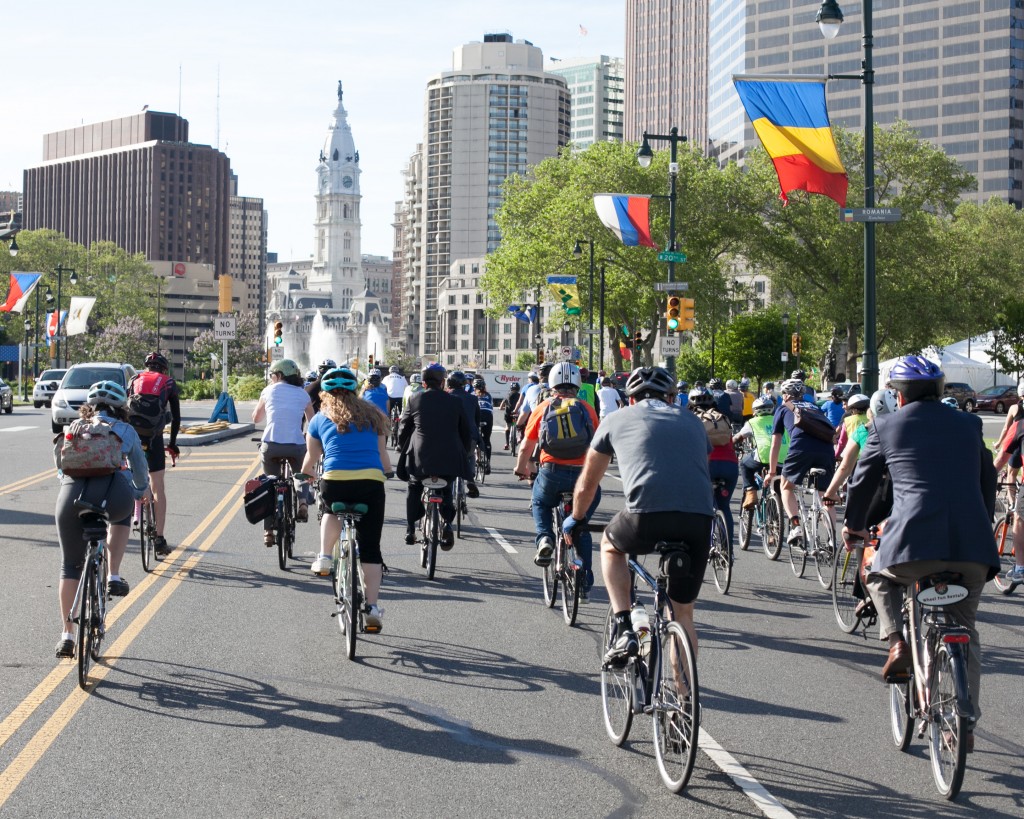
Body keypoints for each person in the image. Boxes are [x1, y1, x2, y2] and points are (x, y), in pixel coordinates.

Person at [843, 356, 998, 741]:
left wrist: (853, 525)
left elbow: (862, 482)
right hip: (973, 549)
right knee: (965, 629)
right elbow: (988, 478)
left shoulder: (885, 425)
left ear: (898, 395)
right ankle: (964, 721)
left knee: (878, 575)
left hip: (912, 545)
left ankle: (896, 641)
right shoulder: (970, 424)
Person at [566, 367, 713, 663]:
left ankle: (624, 627)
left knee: (610, 546)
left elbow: (587, 484)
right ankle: (684, 691)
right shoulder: (693, 421)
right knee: (683, 614)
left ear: (630, 399)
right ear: (671, 397)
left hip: (646, 515)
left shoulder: (615, 419)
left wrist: (577, 517)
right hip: (698, 519)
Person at [53, 381, 150, 658]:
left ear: (89, 406)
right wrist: (140, 492)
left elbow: (60, 465)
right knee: (122, 515)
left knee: (69, 566)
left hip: (71, 497)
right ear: (121, 407)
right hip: (112, 496)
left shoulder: (73, 426)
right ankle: (113, 575)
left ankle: (67, 635)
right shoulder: (125, 430)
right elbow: (140, 470)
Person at [302, 368, 392, 627]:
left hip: (335, 480)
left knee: (330, 510)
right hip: (371, 482)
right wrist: (387, 471)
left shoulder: (320, 418)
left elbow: (312, 458)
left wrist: (306, 474)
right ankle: (372, 608)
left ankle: (324, 556)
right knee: (371, 549)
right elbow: (382, 454)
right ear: (355, 391)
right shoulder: (373, 415)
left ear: (324, 393)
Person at [515, 362, 601, 595]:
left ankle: (545, 538)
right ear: (577, 384)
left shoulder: (543, 407)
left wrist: (521, 469)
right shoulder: (586, 408)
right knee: (581, 523)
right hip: (583, 475)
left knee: (540, 502)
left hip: (552, 472)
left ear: (552, 384)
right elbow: (599, 444)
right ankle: (584, 579)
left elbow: (527, 446)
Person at [397, 363, 472, 547]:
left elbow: (403, 428)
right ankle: (447, 524)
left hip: (421, 458)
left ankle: (410, 529)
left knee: (414, 487)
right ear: (442, 382)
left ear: (423, 383)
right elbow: (465, 432)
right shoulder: (455, 401)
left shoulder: (415, 399)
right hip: (449, 458)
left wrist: (401, 445)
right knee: (446, 489)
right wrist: (464, 451)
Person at [766, 378, 836, 546]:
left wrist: (772, 471)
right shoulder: (815, 407)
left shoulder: (783, 408)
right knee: (825, 496)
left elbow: (775, 443)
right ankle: (832, 540)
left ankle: (796, 526)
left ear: (785, 395)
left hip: (801, 448)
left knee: (786, 487)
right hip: (826, 450)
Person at [253, 359, 314, 546]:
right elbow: (312, 422)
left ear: (279, 375)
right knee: (300, 473)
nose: (271, 378)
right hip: (296, 445)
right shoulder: (303, 394)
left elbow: (256, 418)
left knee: (269, 483)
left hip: (271, 445)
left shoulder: (268, 391)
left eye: (272, 375)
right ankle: (302, 502)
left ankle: (268, 532)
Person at [126, 351, 180, 556]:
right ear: (164, 369)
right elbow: (176, 418)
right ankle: (159, 538)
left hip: (133, 436)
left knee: (132, 474)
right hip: (154, 437)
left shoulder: (134, 379)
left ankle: (135, 508)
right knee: (158, 486)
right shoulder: (168, 383)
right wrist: (172, 444)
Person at [688, 386, 739, 549]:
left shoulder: (690, 420)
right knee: (724, 506)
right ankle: (728, 550)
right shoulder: (722, 418)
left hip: (707, 465)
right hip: (729, 466)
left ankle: (700, 546)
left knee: (696, 506)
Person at [733, 395, 788, 510]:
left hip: (764, 455)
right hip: (784, 457)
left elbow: (738, 437)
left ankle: (750, 491)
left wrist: (729, 444)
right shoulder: (781, 419)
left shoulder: (752, 422)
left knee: (744, 464)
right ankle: (776, 511)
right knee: (778, 486)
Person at [993, 397, 1024, 584]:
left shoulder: (1019, 424)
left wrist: (986, 479)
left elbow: (999, 462)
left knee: (1019, 518)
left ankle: (1020, 568)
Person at [446, 371, 481, 497]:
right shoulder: (472, 398)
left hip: (450, 436)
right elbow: (477, 419)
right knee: (470, 455)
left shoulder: (446, 397)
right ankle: (470, 479)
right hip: (469, 435)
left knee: (448, 458)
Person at [473, 377, 493, 470]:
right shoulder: (489, 395)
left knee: (474, 438)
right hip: (488, 416)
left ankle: (476, 457)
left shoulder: (472, 395)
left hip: (476, 415)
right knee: (486, 439)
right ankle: (487, 462)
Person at [499, 382, 521, 449]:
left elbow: (500, 407)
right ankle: (519, 437)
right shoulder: (520, 395)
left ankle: (507, 444)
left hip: (508, 414)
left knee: (508, 427)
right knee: (518, 426)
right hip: (517, 414)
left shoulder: (507, 395)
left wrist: (505, 408)